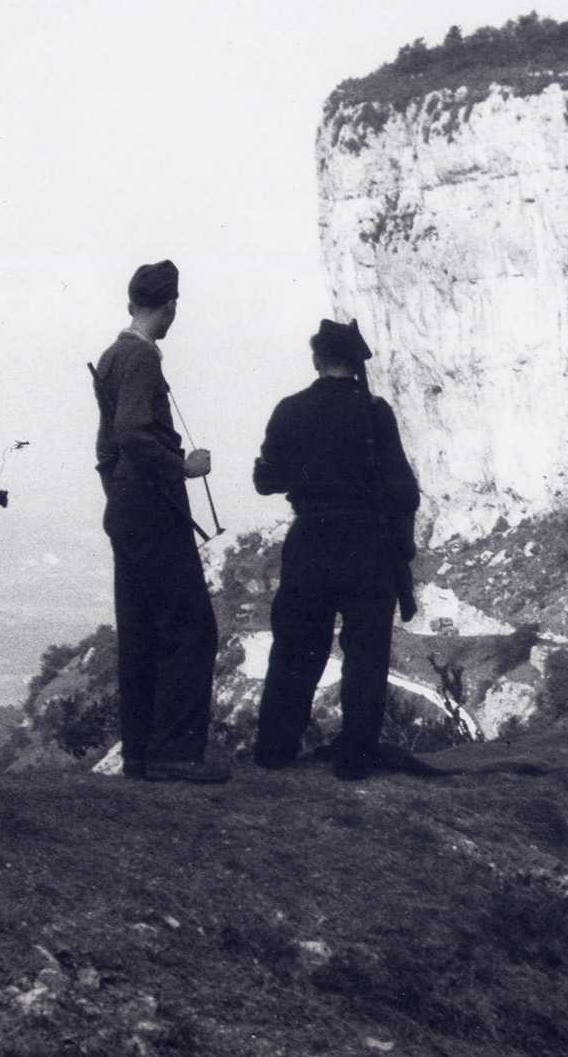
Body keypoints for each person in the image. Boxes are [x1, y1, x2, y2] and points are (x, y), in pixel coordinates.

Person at [251, 318, 419, 781]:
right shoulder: (375, 413)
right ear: (355, 364)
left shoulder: (289, 410)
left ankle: (275, 750)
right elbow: (403, 489)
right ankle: (355, 757)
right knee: (366, 653)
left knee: (296, 650)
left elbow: (267, 480)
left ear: (317, 360)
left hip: (310, 541)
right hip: (367, 544)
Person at [90, 259, 225, 783]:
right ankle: (175, 753)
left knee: (140, 632)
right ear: (169, 307)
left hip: (125, 511)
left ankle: (141, 754)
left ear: (131, 304)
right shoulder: (143, 359)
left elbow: (106, 448)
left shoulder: (110, 356)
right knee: (192, 628)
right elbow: (129, 432)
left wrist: (117, 494)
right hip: (153, 512)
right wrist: (182, 468)